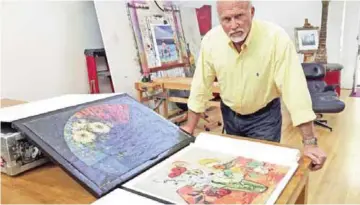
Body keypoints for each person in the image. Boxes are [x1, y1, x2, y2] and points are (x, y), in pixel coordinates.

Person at [181, 0, 327, 171]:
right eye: (227, 19)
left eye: (239, 16)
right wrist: (190, 127)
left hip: (264, 118)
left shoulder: (276, 39)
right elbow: (200, 86)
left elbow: (295, 90)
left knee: (261, 170)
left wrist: (310, 143)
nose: (234, 25)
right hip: (229, 115)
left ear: (252, 12)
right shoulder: (211, 41)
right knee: (233, 169)